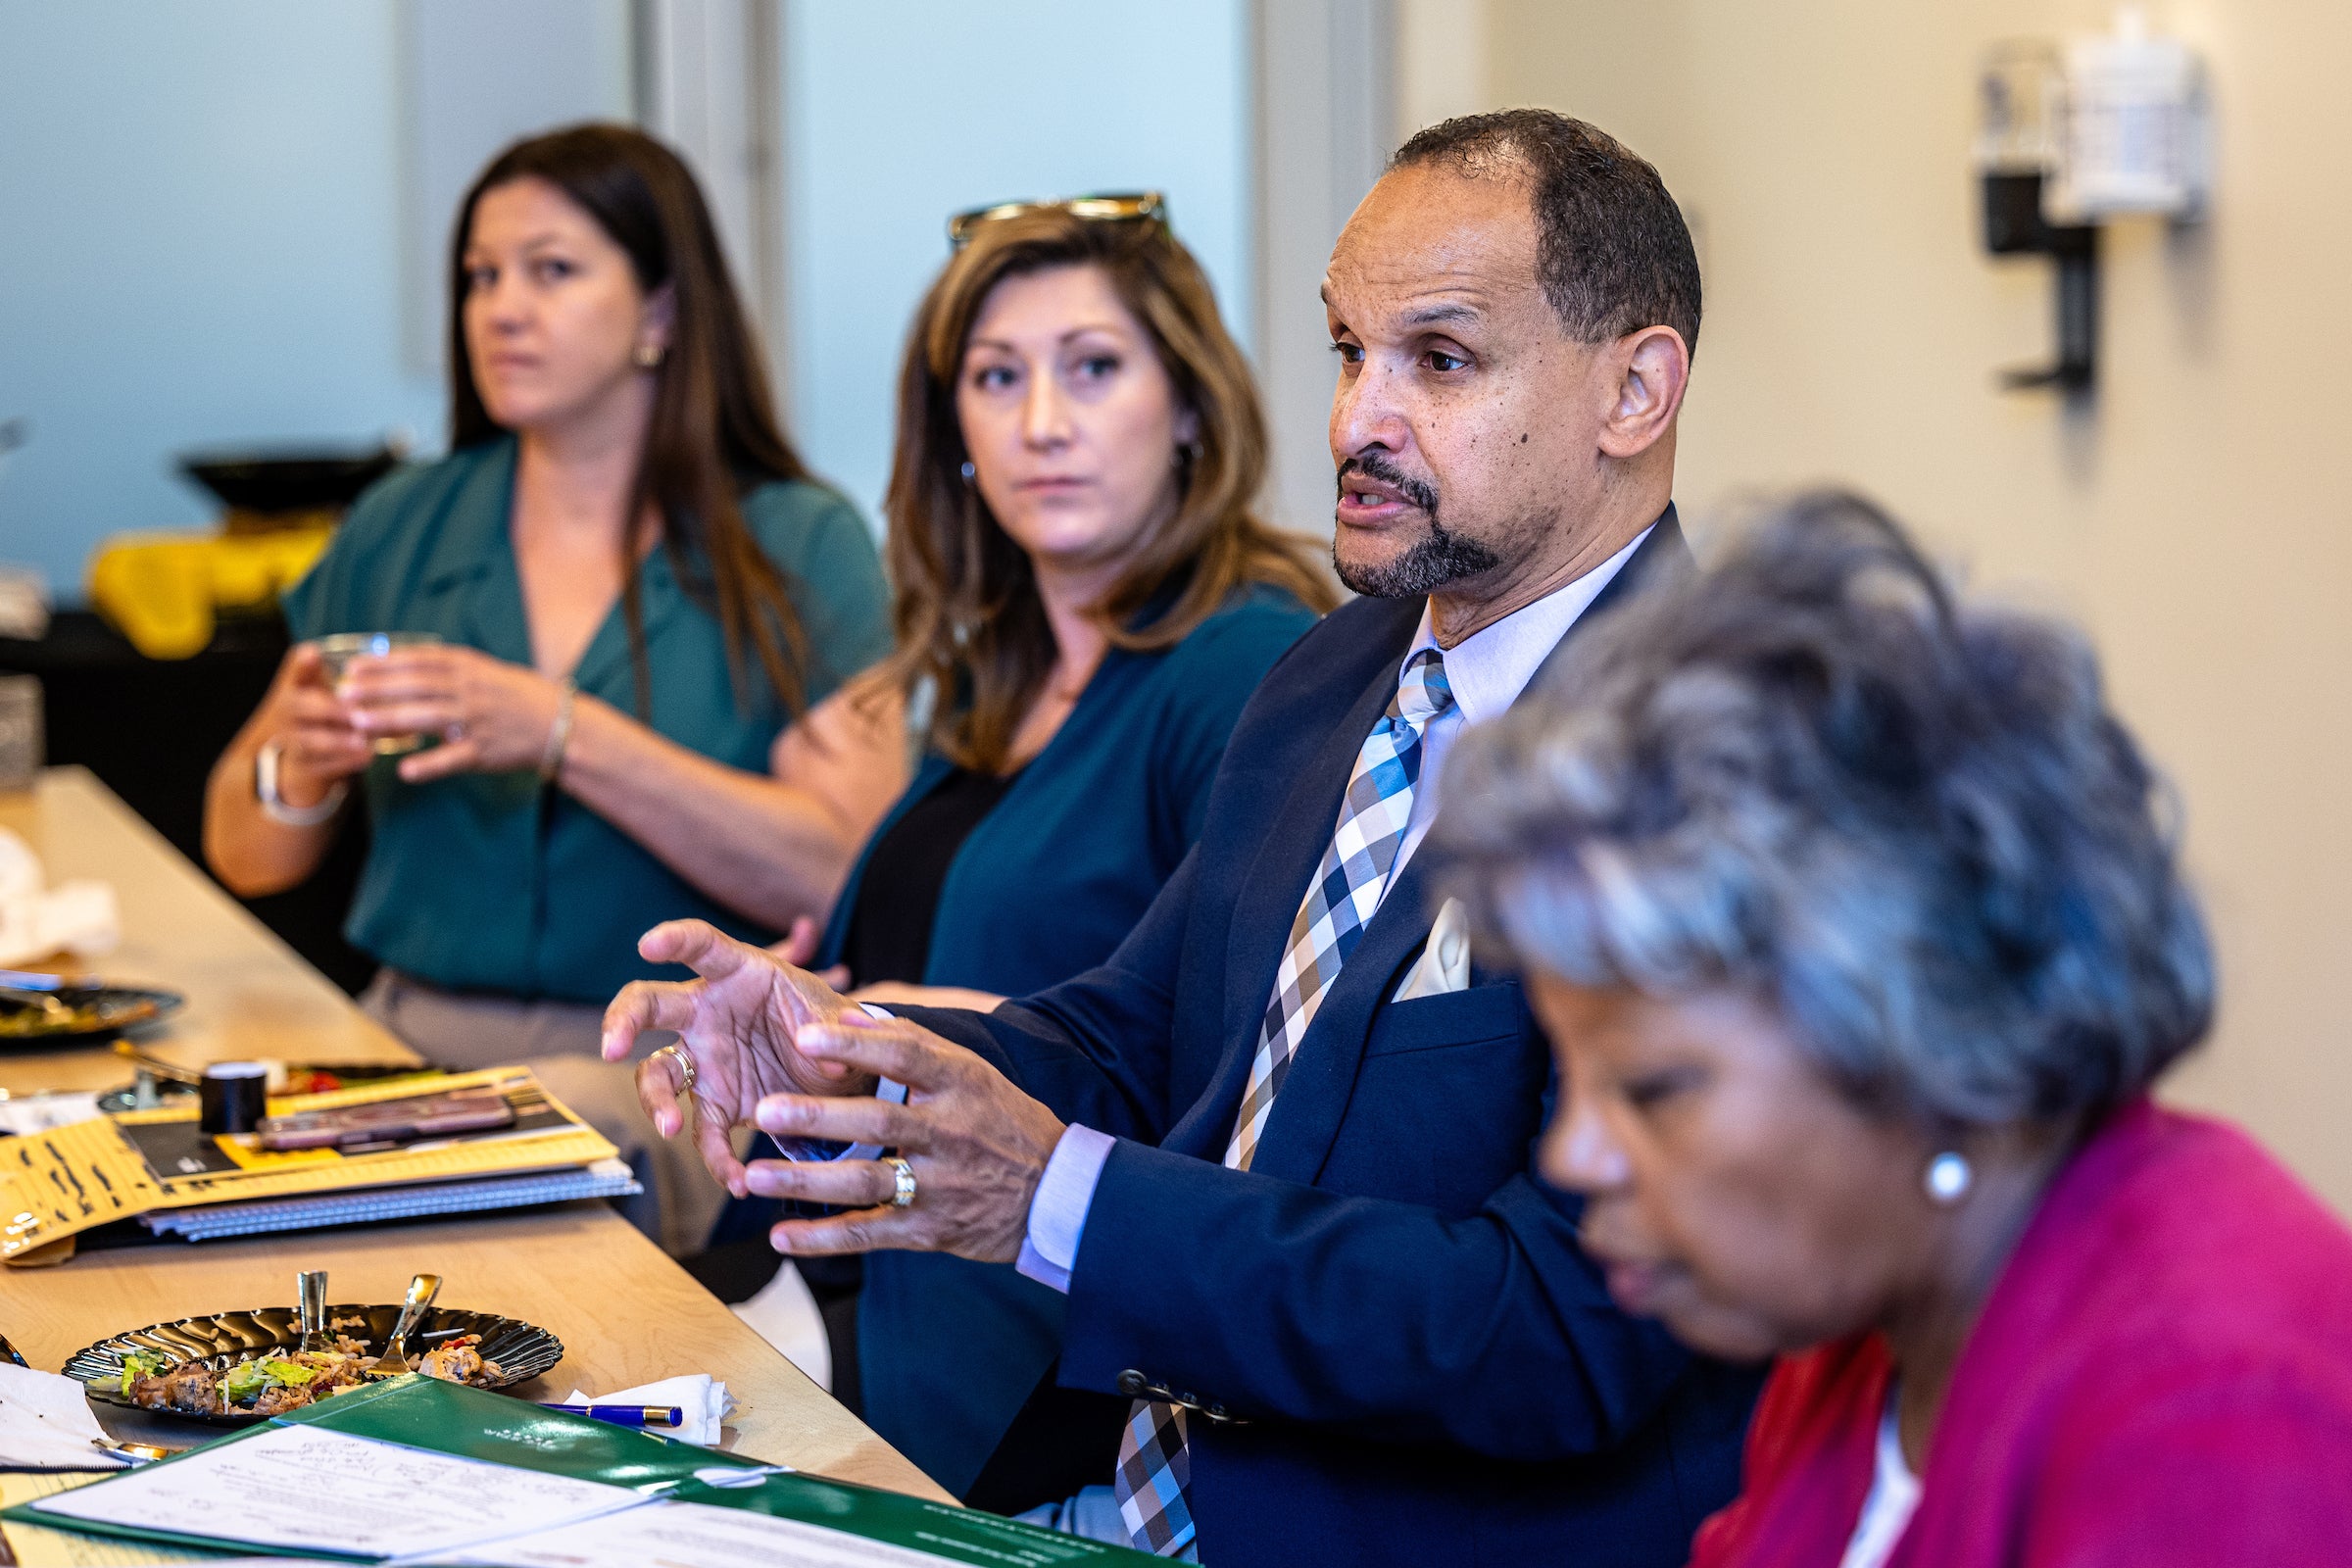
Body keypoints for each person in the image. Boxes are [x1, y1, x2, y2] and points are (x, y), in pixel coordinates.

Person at [605, 111, 1762, 1566]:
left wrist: (1053, 1200)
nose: (1357, 422)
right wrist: (853, 1054)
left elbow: (1552, 1334)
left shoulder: (1722, 767)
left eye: (1440, 360)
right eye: (1349, 351)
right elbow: (1135, 1038)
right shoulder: (1336, 675)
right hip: (1131, 1506)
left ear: (1635, 391)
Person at [1436, 492, 2352, 1567]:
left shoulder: (2216, 1411)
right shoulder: (1869, 1326)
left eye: (1653, 1089)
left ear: (1931, 1036)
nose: (1570, 1155)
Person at [696, 196, 1332, 1502]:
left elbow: (1242, 1071)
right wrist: (785, 1011)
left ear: (1192, 406)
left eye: (1093, 368)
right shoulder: (1004, 679)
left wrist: (880, 1022)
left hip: (1070, 1393)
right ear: (956, 438)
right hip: (887, 1332)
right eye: (997, 378)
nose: (1043, 422)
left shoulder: (1243, 666)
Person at [204, 124, 899, 1254]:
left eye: (552, 270)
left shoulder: (797, 541)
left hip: (661, 1063)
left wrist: (562, 732)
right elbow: (246, 848)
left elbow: (840, 863)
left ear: (663, 313)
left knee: (501, 1192)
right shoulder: (400, 521)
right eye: (480, 276)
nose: (501, 308)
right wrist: (294, 770)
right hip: (394, 1046)